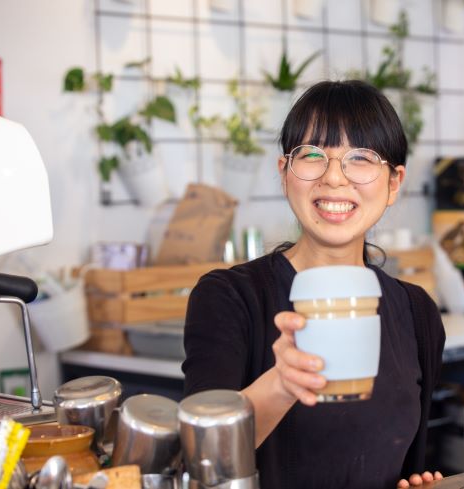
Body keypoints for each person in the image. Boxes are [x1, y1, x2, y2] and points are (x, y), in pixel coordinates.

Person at [183, 80, 446, 489]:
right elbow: (200, 455)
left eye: (361, 158)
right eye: (312, 155)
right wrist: (282, 384)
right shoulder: (229, 298)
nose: (335, 178)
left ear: (394, 183)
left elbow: (406, 464)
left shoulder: (417, 313)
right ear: (285, 172)